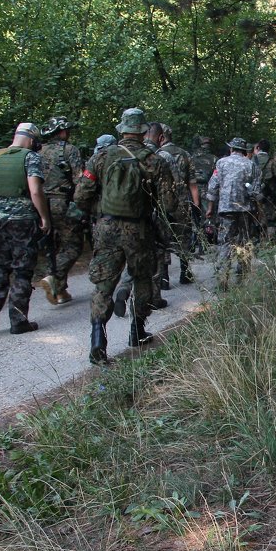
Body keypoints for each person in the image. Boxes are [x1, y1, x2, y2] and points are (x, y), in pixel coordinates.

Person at [75, 108, 174, 364]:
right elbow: (169, 203)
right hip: (138, 230)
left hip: (106, 227)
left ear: (121, 129)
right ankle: (137, 331)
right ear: (143, 132)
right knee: (141, 279)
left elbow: (81, 196)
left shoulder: (100, 157)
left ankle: (98, 339)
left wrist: (99, 211)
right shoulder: (154, 161)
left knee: (103, 284)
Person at [0, 123, 51, 334]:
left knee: (0, 266)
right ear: (31, 140)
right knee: (22, 270)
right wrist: (44, 218)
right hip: (23, 222)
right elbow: (35, 190)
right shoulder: (31, 158)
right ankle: (18, 321)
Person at [37, 116, 85, 305]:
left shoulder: (37, 152)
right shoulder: (69, 150)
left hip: (41, 203)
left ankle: (60, 290)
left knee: (53, 246)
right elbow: (79, 179)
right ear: (62, 132)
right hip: (62, 202)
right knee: (73, 245)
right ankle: (54, 277)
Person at [205, 137, 261, 288]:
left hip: (225, 210)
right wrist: (256, 210)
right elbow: (255, 191)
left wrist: (210, 208)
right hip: (245, 210)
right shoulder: (251, 165)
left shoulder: (221, 163)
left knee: (225, 243)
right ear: (244, 151)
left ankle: (223, 280)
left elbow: (213, 186)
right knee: (244, 243)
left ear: (231, 149)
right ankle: (242, 280)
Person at [159, 123, 199, 284]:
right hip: (182, 202)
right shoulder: (185, 155)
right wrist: (196, 205)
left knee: (162, 239)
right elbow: (193, 184)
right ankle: (185, 272)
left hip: (162, 202)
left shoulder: (156, 154)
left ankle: (163, 276)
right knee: (185, 237)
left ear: (161, 137)